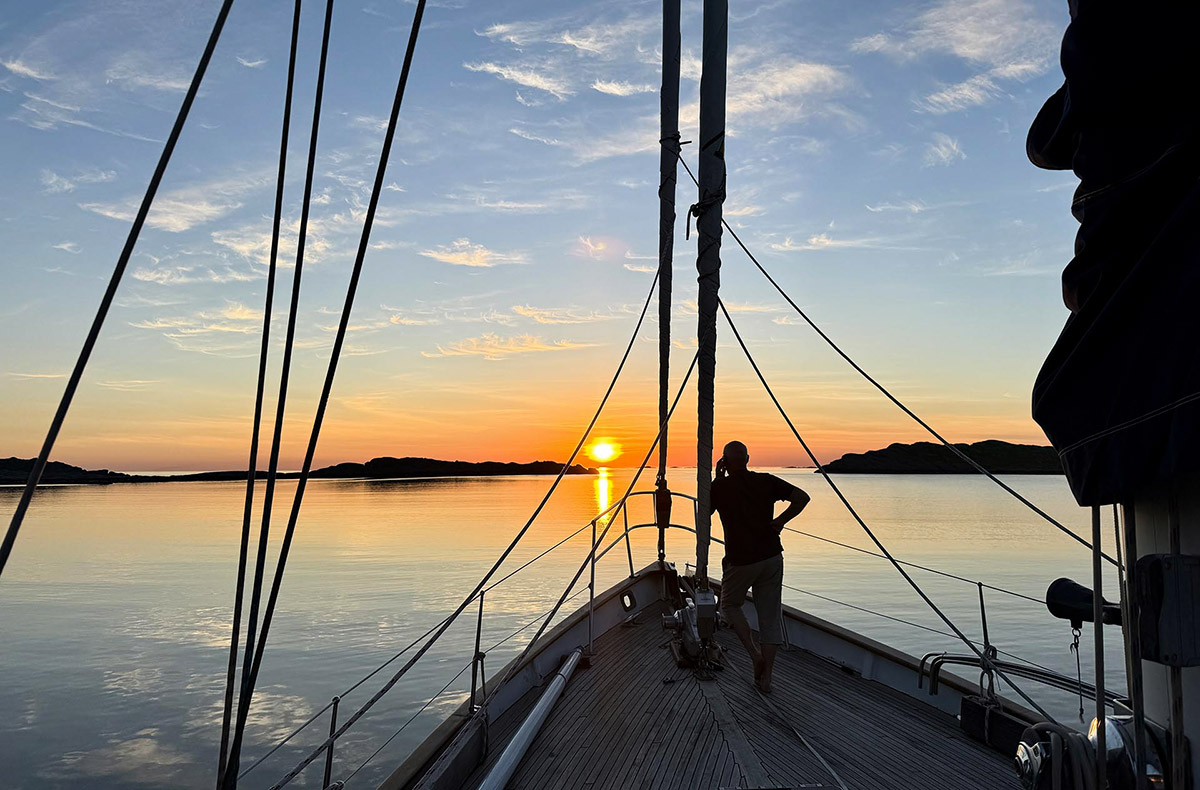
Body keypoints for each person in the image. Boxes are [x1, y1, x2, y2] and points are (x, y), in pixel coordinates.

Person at [710, 440, 809, 692]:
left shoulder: (720, 487)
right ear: (748, 458)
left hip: (741, 561)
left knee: (730, 605)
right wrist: (780, 522)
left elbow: (704, 513)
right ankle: (767, 678)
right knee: (769, 617)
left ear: (725, 462)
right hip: (771, 557)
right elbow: (801, 498)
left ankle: (755, 656)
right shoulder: (766, 480)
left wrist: (716, 478)